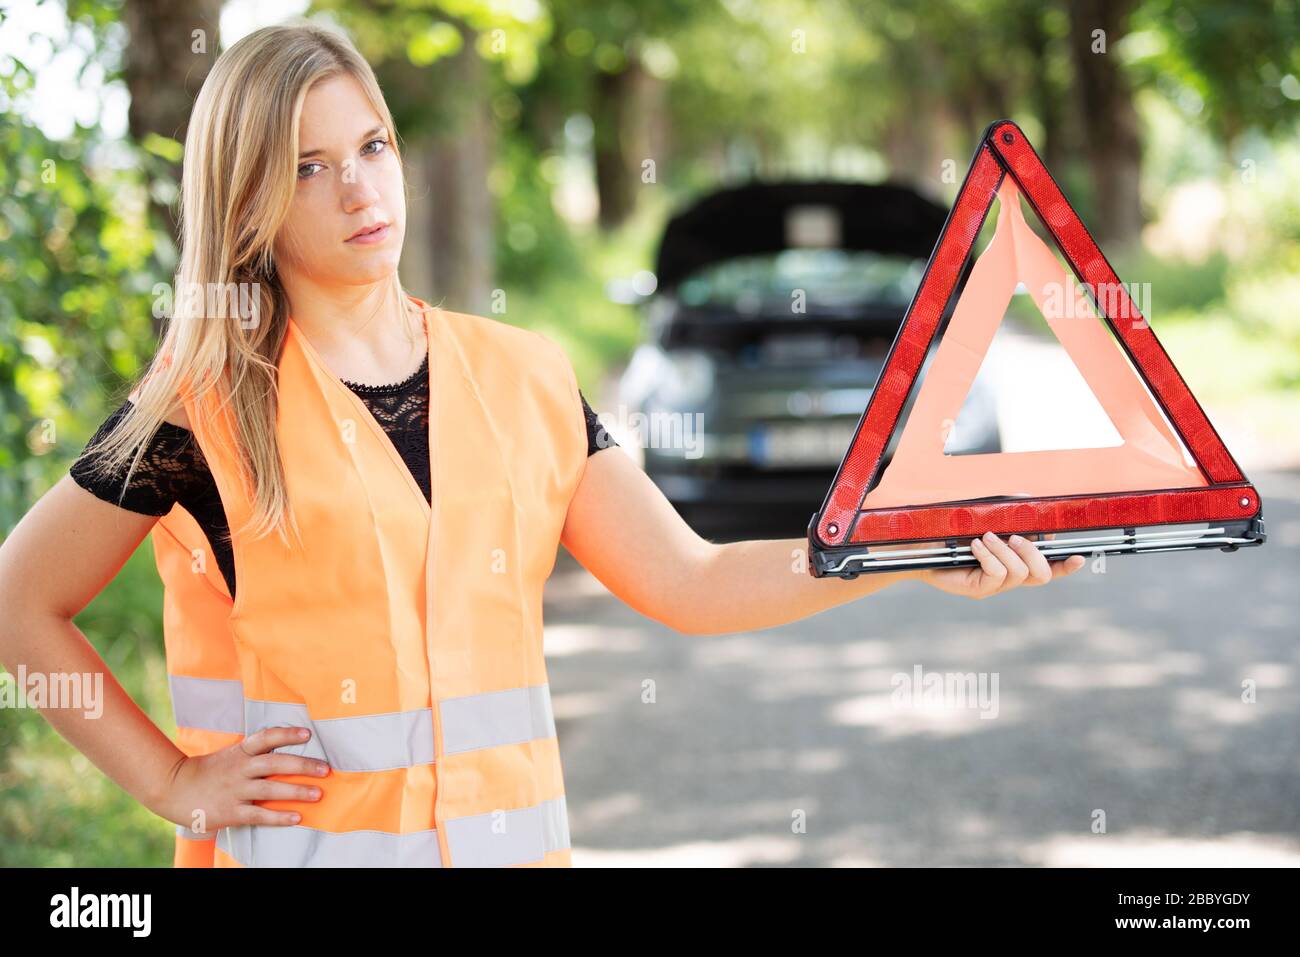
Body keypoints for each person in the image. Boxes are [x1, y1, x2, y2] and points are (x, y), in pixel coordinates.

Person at [0, 22, 1086, 868]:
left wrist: (905, 552)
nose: (360, 187)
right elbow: (16, 606)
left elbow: (692, 580)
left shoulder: (522, 374)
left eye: (372, 145)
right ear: (248, 201)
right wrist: (171, 785)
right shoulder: (202, 408)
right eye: (310, 165)